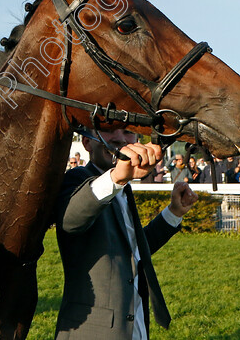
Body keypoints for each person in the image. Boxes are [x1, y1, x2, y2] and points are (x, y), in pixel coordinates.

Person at [54, 129, 198, 339]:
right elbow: (70, 220)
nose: (121, 138)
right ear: (87, 142)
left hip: (134, 326)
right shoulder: (77, 178)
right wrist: (115, 179)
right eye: (109, 128)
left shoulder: (124, 188)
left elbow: (133, 248)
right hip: (92, 331)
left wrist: (174, 213)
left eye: (129, 132)